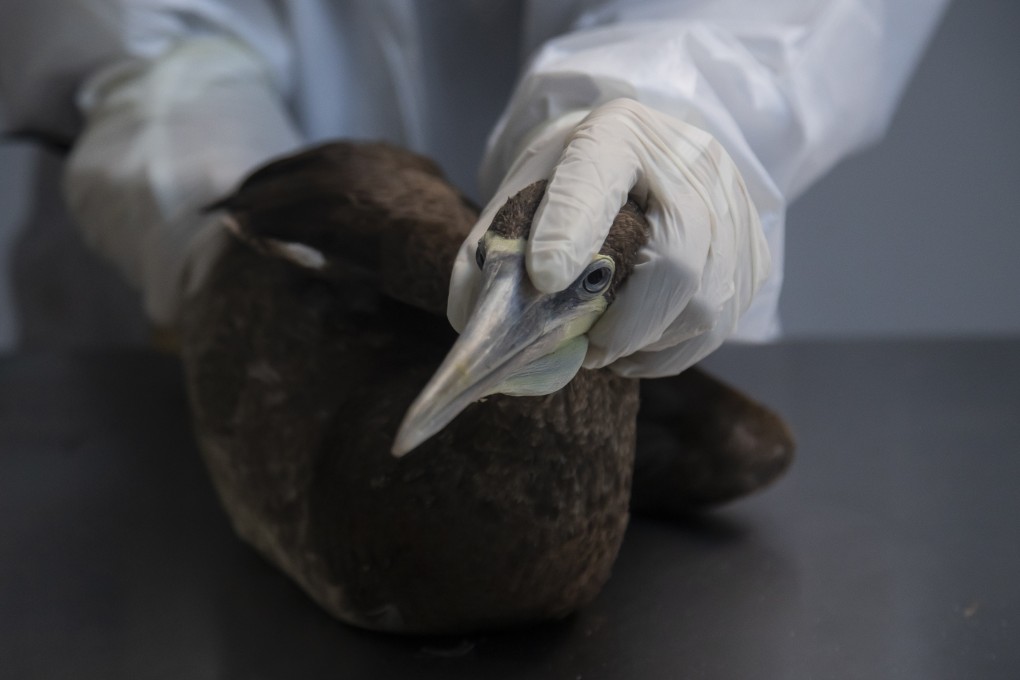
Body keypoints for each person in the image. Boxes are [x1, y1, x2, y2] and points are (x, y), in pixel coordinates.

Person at [0, 0, 948, 375]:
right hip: (155, 352)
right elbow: (116, 29)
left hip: (639, 331)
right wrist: (218, 209)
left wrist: (670, 108)